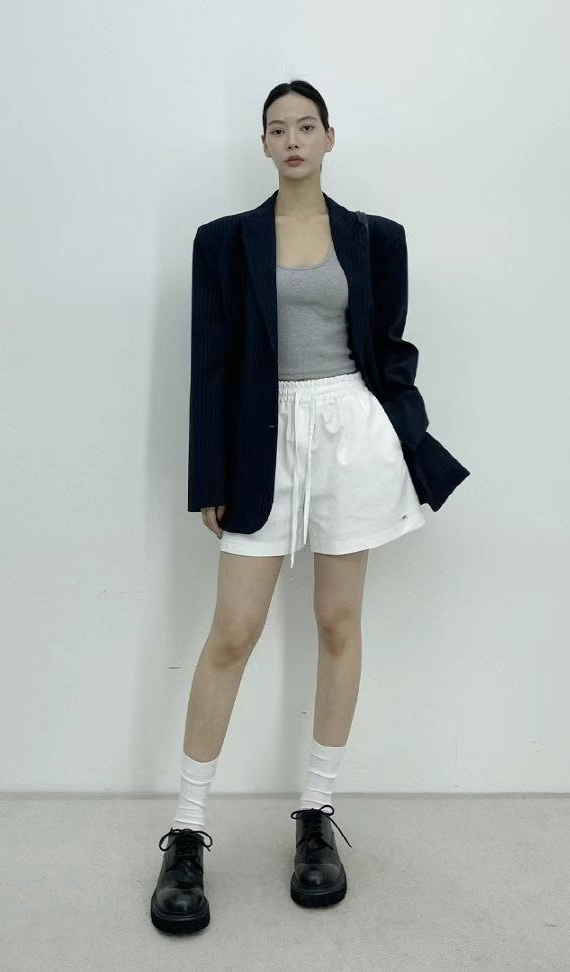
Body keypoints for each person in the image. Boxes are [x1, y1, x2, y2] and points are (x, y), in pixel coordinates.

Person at [151, 79, 470, 935]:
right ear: (263, 144)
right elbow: (211, 362)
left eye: (305, 126)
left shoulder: (375, 238)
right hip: (262, 440)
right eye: (277, 128)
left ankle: (317, 815)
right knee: (232, 633)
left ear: (330, 137)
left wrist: (404, 434)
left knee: (337, 623)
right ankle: (187, 828)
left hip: (350, 435)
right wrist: (211, 476)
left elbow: (388, 348)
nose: (292, 139)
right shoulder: (224, 241)